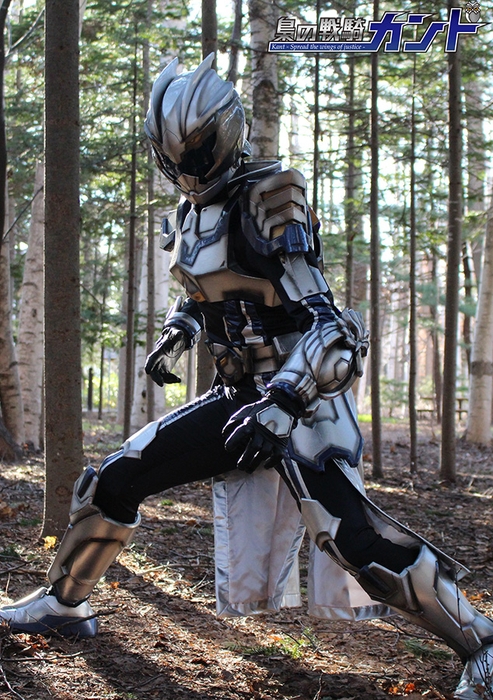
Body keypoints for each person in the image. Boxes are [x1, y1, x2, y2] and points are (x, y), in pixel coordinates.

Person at [0, 54, 491, 699]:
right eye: (174, 155)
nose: (187, 167)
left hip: (303, 400)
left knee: (353, 540)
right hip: (237, 399)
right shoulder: (189, 211)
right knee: (114, 480)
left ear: (226, 135)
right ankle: (65, 603)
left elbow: (332, 328)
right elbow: (207, 290)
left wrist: (284, 401)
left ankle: (482, 643)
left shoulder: (271, 196)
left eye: (197, 151)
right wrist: (181, 329)